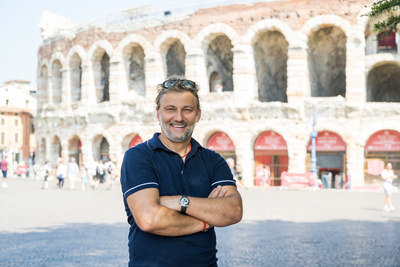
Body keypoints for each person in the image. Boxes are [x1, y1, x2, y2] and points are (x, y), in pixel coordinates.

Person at [121, 76, 243, 266]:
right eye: (171, 109)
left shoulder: (213, 160)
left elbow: (233, 211)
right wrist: (206, 221)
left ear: (198, 115)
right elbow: (149, 219)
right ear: (158, 113)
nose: (179, 117)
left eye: (187, 110)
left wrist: (179, 202)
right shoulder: (138, 156)